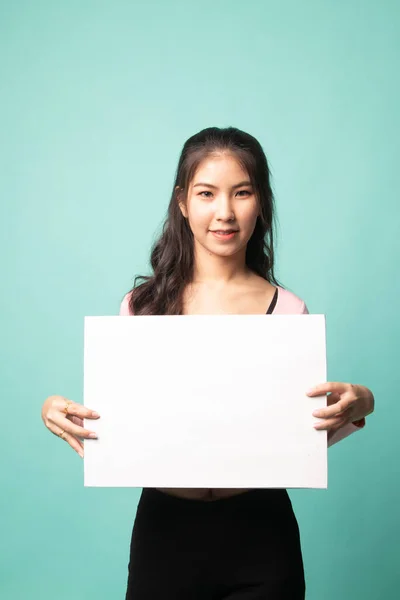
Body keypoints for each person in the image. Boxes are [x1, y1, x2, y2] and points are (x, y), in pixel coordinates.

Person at [41, 127, 375, 599]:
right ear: (182, 202)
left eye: (242, 192)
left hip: (262, 533)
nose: (225, 212)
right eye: (206, 193)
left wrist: (361, 403)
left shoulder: (289, 310)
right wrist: (55, 409)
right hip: (166, 532)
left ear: (260, 202)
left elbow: (300, 433)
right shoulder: (141, 307)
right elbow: (117, 419)